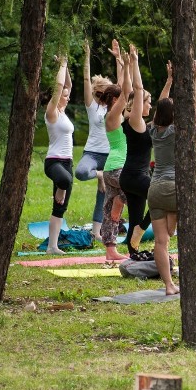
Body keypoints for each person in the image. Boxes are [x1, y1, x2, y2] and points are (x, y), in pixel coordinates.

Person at [147, 60, 196, 295]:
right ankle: (182, 212)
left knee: (163, 239)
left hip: (154, 190)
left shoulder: (154, 130)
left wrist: (169, 81)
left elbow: (161, 104)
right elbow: (195, 106)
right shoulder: (175, 131)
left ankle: (169, 286)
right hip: (171, 187)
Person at [75, 40, 113, 241]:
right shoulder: (92, 107)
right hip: (92, 152)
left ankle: (97, 231)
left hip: (110, 155)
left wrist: (120, 62)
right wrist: (87, 54)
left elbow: (125, 88)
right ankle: (99, 175)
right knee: (81, 172)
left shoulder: (113, 109)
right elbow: (85, 79)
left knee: (105, 195)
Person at [119, 45, 156, 253]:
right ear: (139, 105)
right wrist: (134, 63)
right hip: (134, 176)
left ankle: (133, 251)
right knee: (162, 197)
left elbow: (130, 91)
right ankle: (141, 229)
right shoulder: (135, 122)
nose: (150, 106)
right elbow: (136, 90)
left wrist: (168, 81)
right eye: (148, 103)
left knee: (134, 218)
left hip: (131, 177)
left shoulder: (139, 123)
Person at [97, 48, 130, 262]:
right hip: (118, 167)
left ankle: (110, 250)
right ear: (115, 100)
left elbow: (122, 89)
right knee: (135, 191)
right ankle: (121, 199)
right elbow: (126, 91)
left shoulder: (113, 114)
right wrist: (128, 65)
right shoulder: (113, 116)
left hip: (112, 167)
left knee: (108, 209)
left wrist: (119, 61)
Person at [43, 55, 74, 255]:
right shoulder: (51, 113)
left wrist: (65, 64)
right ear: (56, 97)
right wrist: (62, 64)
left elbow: (67, 84)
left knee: (59, 208)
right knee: (65, 181)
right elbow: (60, 86)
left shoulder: (63, 112)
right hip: (54, 162)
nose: (67, 96)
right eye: (64, 95)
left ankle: (52, 247)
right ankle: (61, 188)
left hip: (68, 161)